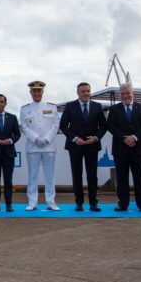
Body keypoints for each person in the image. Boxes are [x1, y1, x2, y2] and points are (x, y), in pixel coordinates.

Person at [59, 82, 107, 212]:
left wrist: (96, 137)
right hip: (75, 146)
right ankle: (79, 203)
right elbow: (63, 126)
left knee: (92, 175)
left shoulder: (97, 106)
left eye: (88, 91)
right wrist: (75, 138)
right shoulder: (70, 106)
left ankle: (93, 203)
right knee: (77, 174)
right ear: (78, 93)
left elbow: (103, 126)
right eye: (83, 91)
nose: (86, 93)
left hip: (92, 146)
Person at [106, 83, 141, 212]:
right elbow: (111, 126)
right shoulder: (114, 109)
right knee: (121, 178)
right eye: (123, 94)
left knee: (139, 178)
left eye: (128, 93)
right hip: (121, 149)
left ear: (133, 94)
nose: (125, 96)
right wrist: (125, 138)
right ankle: (123, 203)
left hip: (139, 148)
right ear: (119, 95)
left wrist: (134, 137)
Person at [20, 80, 60, 211]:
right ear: (30, 92)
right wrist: (36, 139)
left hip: (49, 146)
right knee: (32, 176)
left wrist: (46, 139)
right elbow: (24, 127)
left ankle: (51, 202)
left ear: (43, 91)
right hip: (33, 147)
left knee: (50, 176)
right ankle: (32, 202)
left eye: (39, 91)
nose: (37, 93)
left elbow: (55, 125)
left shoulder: (52, 107)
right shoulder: (25, 109)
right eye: (34, 91)